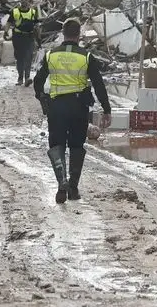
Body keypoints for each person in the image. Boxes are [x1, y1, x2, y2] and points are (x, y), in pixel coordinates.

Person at [33, 19, 112, 204]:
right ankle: (73, 188)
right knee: (76, 146)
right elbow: (99, 85)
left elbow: (38, 81)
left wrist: (41, 98)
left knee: (57, 145)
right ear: (79, 35)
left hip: (56, 108)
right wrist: (107, 109)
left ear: (63, 32)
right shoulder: (86, 57)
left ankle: (62, 183)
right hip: (78, 108)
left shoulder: (51, 55)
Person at [3, 0, 40, 86]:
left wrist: (38, 38)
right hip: (18, 37)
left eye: (25, 0)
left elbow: (37, 25)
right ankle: (20, 78)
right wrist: (5, 31)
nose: (23, 1)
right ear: (20, 1)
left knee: (28, 57)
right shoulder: (14, 11)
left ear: (28, 1)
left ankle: (27, 77)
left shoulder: (33, 12)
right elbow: (9, 22)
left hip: (29, 37)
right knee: (19, 57)